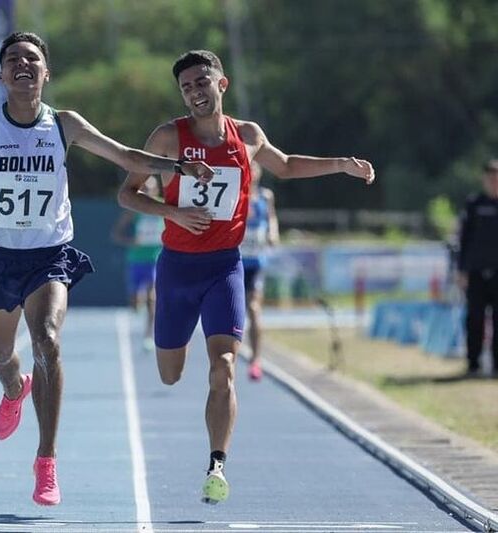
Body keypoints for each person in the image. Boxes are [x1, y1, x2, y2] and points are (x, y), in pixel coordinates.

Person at [0, 32, 212, 506]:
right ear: (2, 75)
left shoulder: (65, 124)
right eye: (13, 60)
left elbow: (127, 158)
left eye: (33, 59)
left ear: (47, 73)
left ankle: (46, 461)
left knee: (47, 339)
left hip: (49, 253)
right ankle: (14, 387)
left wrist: (176, 167)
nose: (23, 65)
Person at [117, 50, 374, 505]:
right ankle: (183, 342)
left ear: (222, 84)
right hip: (177, 268)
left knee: (226, 368)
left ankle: (216, 465)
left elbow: (289, 165)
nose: (195, 92)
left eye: (202, 82)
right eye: (187, 87)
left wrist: (342, 164)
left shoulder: (248, 136)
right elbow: (127, 194)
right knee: (171, 374)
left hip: (224, 266)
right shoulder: (166, 138)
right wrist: (173, 212)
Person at [111, 177, 165, 350]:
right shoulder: (134, 209)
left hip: (154, 258)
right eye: (145, 188)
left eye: (151, 189)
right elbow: (116, 234)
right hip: (136, 259)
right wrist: (131, 241)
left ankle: (149, 334)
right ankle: (138, 305)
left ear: (157, 190)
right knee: (136, 302)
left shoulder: (163, 207)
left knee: (152, 297)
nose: (148, 192)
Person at [456, 159, 498, 378]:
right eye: (490, 178)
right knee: (474, 318)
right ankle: (473, 364)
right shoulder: (474, 204)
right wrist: (461, 270)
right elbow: (463, 239)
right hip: (476, 273)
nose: (494, 183)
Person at [239, 160, 279, 381]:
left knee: (253, 309)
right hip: (234, 262)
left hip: (256, 262)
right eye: (248, 168)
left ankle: (255, 359)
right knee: (233, 313)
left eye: (254, 168)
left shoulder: (265, 196)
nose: (251, 172)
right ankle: (231, 356)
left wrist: (273, 233)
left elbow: (271, 218)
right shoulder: (234, 195)